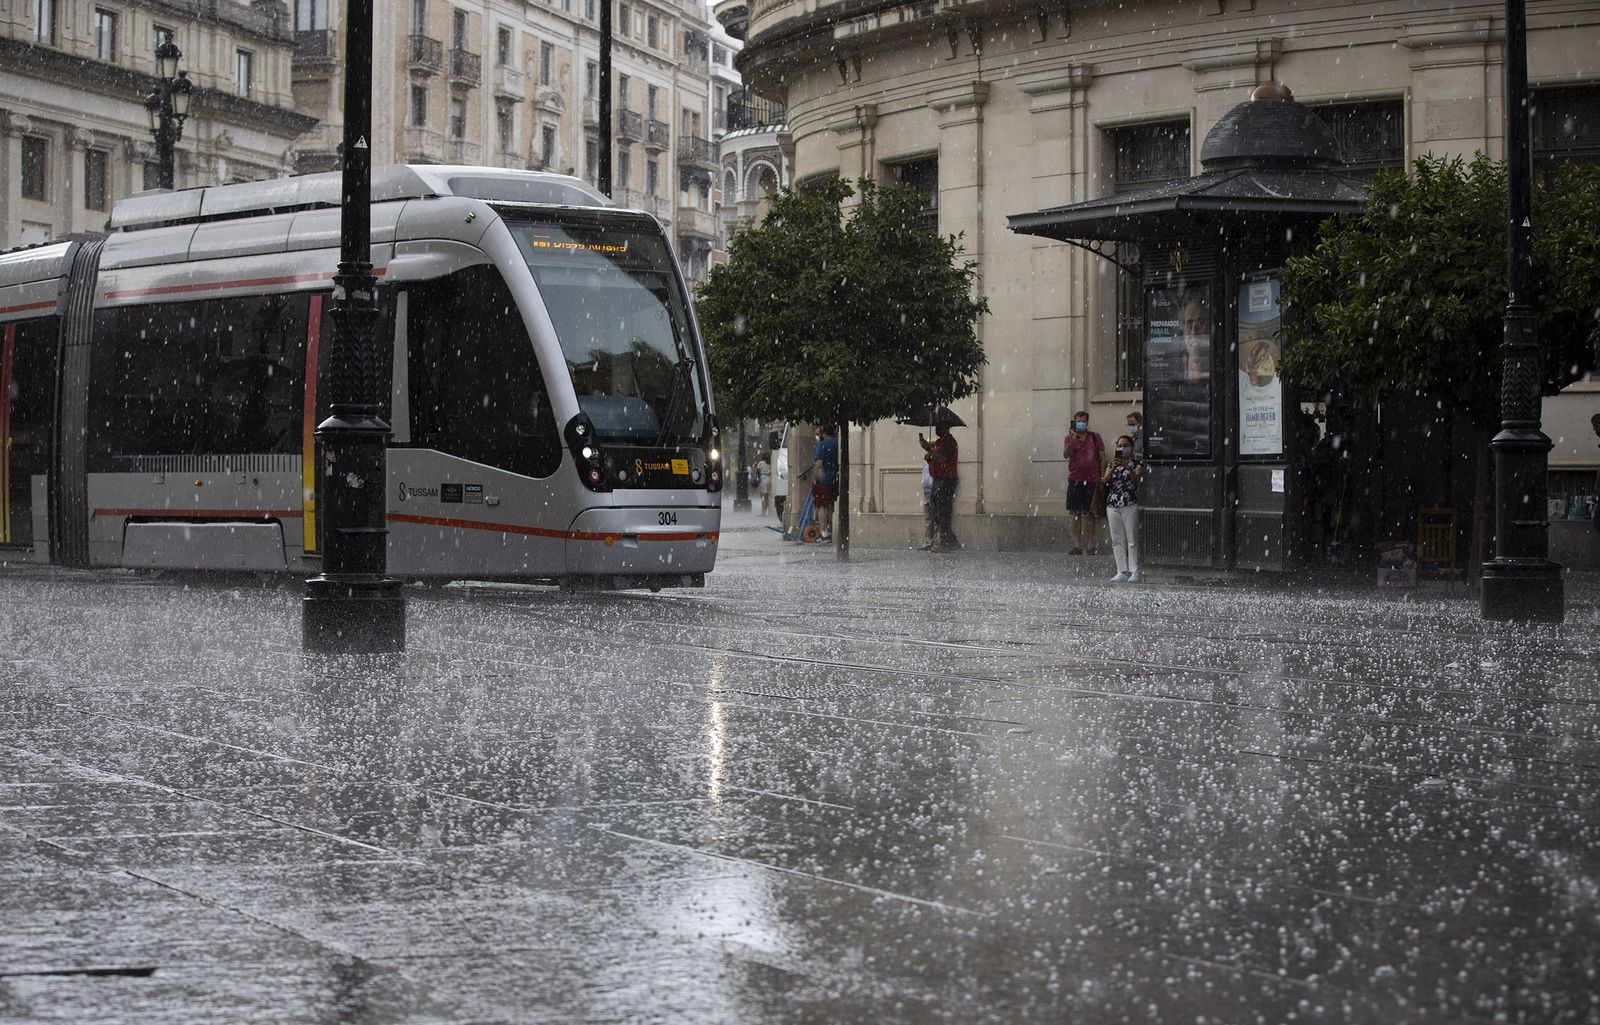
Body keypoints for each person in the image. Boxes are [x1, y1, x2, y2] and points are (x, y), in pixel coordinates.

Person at [1103, 434, 1144, 582]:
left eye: (1126, 445)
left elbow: (1135, 481)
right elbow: (1105, 481)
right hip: (1113, 504)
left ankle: (1135, 570)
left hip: (1129, 502)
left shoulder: (1136, 463)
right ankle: (1121, 570)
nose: (1122, 448)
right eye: (1120, 445)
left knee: (1132, 538)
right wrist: (1114, 467)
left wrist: (1127, 467)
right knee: (1117, 539)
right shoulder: (1111, 464)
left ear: (1131, 447)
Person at [1063, 410, 1105, 555]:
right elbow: (1065, 454)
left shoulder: (1095, 437)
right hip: (1075, 479)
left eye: (1083, 421)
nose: (1081, 423)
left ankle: (1091, 545)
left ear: (1087, 422)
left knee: (1091, 513)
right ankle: (1076, 545)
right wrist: (1074, 439)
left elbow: (1102, 457)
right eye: (1078, 421)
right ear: (1075, 422)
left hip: (1092, 479)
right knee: (1075, 513)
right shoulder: (1069, 438)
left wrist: (1102, 477)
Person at [920, 423, 960, 551]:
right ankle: (947, 539)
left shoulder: (950, 442)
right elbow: (936, 458)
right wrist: (929, 457)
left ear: (947, 429)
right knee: (935, 507)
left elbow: (943, 459)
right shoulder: (939, 442)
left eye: (940, 427)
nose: (937, 429)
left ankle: (946, 541)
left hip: (946, 480)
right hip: (938, 478)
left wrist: (929, 450)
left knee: (943, 510)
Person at [811, 424, 839, 541]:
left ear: (823, 434)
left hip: (823, 480)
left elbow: (819, 464)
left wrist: (814, 477)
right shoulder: (838, 443)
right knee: (831, 504)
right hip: (835, 478)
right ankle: (833, 529)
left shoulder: (822, 445)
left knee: (821, 505)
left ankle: (824, 532)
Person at [754, 452, 772, 516]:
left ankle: (763, 512)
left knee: (763, 497)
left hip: (763, 479)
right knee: (767, 497)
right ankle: (766, 510)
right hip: (769, 479)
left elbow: (756, 470)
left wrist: (754, 466)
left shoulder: (761, 463)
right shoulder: (770, 463)